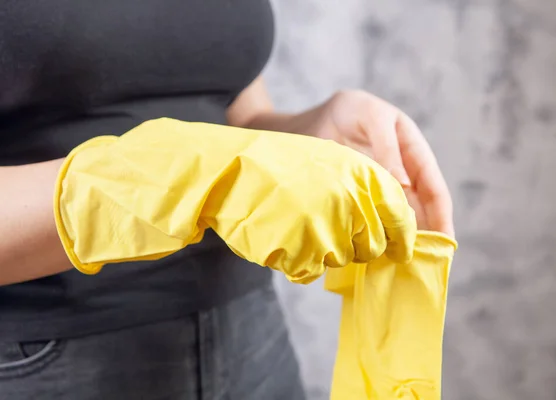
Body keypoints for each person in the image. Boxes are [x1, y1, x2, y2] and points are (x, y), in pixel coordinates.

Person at [0, 1, 454, 399]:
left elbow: (238, 115)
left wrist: (314, 131)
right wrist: (183, 176)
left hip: (251, 336)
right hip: (47, 356)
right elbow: (212, 168)